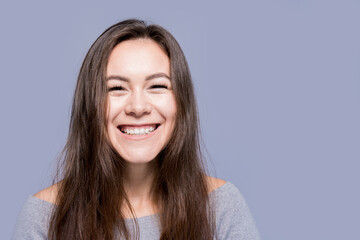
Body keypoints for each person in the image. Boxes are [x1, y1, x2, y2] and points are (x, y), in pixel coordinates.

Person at [13, 19, 260, 240]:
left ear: (181, 102)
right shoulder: (44, 216)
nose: (138, 107)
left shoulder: (221, 207)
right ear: (90, 104)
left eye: (157, 86)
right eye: (117, 88)